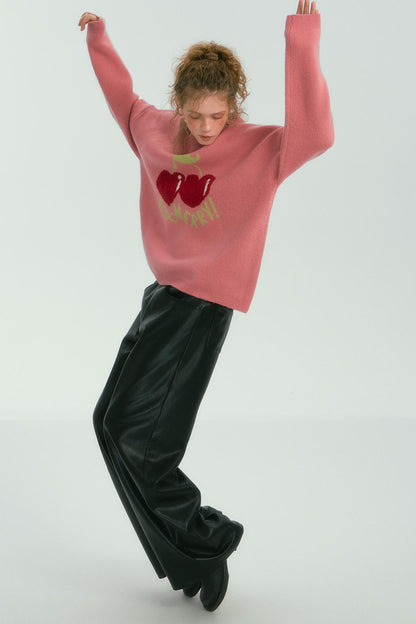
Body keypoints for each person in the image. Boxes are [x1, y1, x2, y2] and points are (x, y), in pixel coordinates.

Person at [78, 0, 333, 612]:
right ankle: (184, 558)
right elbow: (124, 101)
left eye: (218, 115)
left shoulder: (258, 149)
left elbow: (316, 135)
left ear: (234, 107)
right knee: (108, 424)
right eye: (195, 115)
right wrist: (98, 38)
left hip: (203, 306)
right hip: (163, 297)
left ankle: (206, 542)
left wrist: (301, 41)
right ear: (180, 104)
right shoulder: (155, 130)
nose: (207, 127)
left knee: (144, 443)